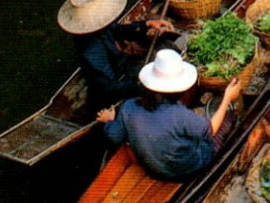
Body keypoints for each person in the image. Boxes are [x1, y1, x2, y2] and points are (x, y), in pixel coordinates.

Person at [96, 49, 242, 181]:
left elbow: (114, 136)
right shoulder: (179, 115)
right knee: (226, 120)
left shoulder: (129, 106)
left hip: (154, 170)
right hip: (188, 169)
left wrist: (109, 120)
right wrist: (227, 98)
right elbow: (211, 130)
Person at [57, 0, 174, 110]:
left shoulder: (99, 24)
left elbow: (117, 30)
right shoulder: (91, 51)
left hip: (119, 69)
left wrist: (147, 24)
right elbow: (108, 88)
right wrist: (143, 85)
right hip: (114, 86)